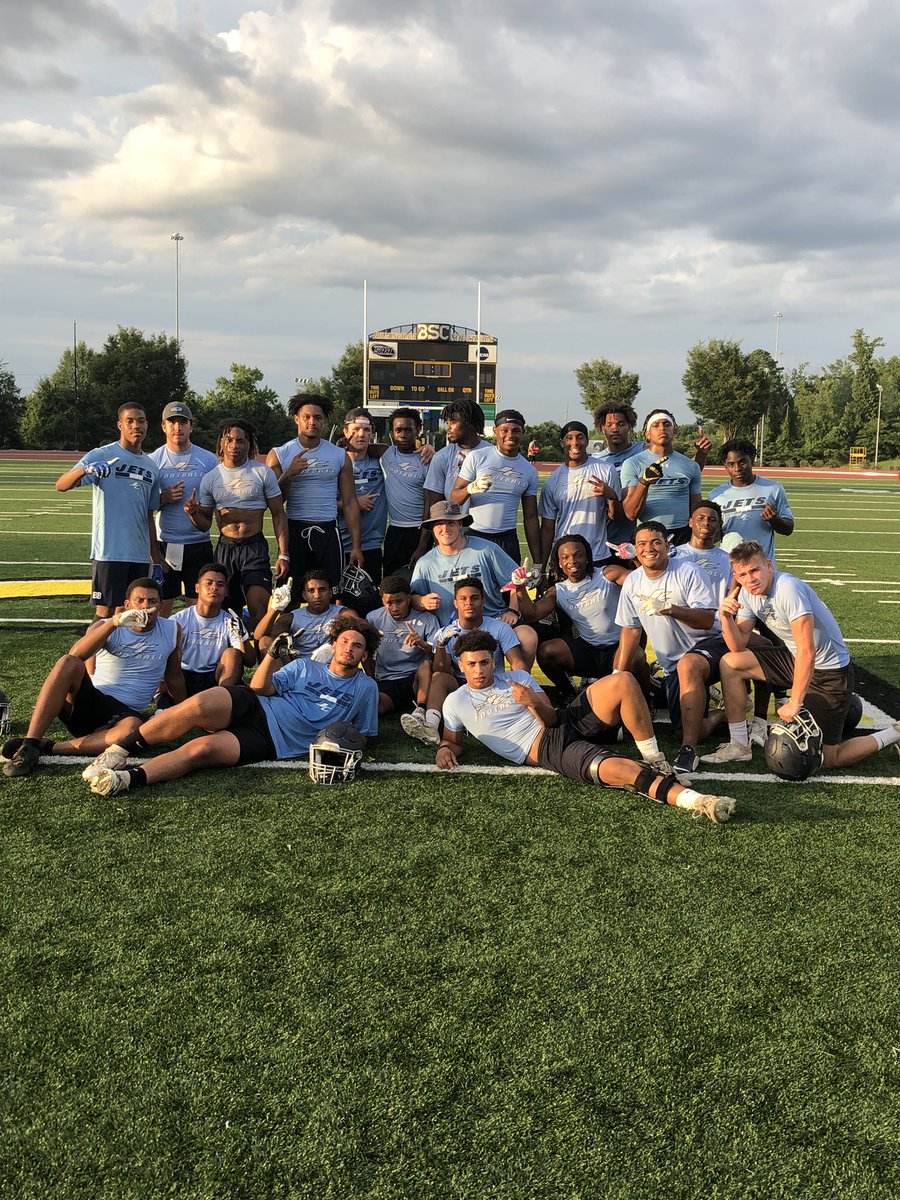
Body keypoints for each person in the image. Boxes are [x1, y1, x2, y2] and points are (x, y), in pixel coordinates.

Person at [435, 632, 737, 824]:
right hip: (547, 748)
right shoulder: (455, 702)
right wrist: (445, 749)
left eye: (484, 663)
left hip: (561, 721)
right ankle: (700, 801)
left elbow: (551, 718)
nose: (479, 670)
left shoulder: (518, 678)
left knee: (623, 680)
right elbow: (453, 740)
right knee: (623, 770)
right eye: (471, 664)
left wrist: (532, 701)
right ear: (461, 666)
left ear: (494, 662)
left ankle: (655, 758)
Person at [80, 614, 381, 796]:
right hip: (257, 704)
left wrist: (339, 744)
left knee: (199, 751)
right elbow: (259, 688)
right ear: (334, 645)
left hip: (272, 740)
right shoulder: (305, 666)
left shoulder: (366, 687)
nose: (349, 648)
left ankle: (124, 779)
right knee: (198, 704)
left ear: (364, 655)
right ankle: (117, 752)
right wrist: (272, 656)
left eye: (357, 646)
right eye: (345, 641)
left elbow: (365, 734)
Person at [699, 540, 900, 769]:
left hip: (830, 673)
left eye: (755, 570)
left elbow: (807, 650)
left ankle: (894, 733)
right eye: (743, 574)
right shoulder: (746, 593)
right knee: (731, 663)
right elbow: (738, 645)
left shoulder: (788, 588)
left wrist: (795, 702)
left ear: (769, 566)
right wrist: (725, 618)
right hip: (795, 660)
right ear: (736, 576)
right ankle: (739, 745)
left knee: (827, 759)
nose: (750, 579)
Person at [2, 578, 183, 778]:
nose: (145, 606)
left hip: (126, 716)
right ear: (127, 604)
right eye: (139, 600)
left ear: (161, 605)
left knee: (132, 729)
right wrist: (114, 623)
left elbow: (174, 676)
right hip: (93, 702)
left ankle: (49, 747)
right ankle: (30, 743)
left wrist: (184, 710)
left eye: (152, 601)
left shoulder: (171, 629)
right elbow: (76, 655)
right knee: (67, 662)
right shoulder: (106, 625)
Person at [614, 522, 726, 778]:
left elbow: (707, 620)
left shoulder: (688, 570)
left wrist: (670, 609)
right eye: (642, 544)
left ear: (667, 545)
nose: (649, 548)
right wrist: (617, 674)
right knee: (684, 728)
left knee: (689, 664)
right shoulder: (633, 581)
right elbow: (631, 630)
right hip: (674, 664)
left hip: (710, 646)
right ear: (635, 549)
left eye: (656, 542)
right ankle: (725, 712)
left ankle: (689, 750)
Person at [55, 402, 164, 618]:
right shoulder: (103, 454)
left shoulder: (151, 466)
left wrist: (155, 559)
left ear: (147, 425)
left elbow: (148, 516)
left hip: (139, 555)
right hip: (110, 551)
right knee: (105, 612)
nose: (136, 426)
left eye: (141, 421)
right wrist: (85, 469)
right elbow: (61, 485)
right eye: (130, 421)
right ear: (120, 425)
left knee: (133, 614)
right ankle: (89, 644)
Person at [401, 576, 531, 746]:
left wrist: (522, 685)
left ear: (483, 602)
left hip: (493, 684)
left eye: (474, 598)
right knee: (438, 677)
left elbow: (517, 663)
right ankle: (431, 727)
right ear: (455, 603)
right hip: (462, 686)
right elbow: (442, 671)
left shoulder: (500, 627)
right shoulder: (445, 632)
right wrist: (441, 645)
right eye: (463, 599)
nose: (469, 603)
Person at [185, 419, 290, 627]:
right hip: (225, 549)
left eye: (240, 440)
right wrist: (193, 513)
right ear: (221, 443)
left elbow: (278, 514)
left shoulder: (262, 472)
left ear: (249, 444)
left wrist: (283, 554)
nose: (234, 445)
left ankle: (260, 645)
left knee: (259, 611)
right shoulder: (211, 478)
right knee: (226, 614)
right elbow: (204, 525)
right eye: (229, 440)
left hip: (254, 548)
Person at [511, 534, 639, 701]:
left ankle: (646, 697)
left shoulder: (608, 574)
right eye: (565, 557)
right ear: (559, 563)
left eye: (578, 555)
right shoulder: (559, 590)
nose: (572, 561)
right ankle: (570, 694)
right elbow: (531, 614)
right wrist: (520, 587)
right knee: (546, 651)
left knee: (638, 656)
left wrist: (635, 558)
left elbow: (641, 583)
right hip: (589, 650)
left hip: (619, 648)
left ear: (587, 558)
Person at [409, 502, 538, 666]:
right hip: (451, 629)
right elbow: (412, 598)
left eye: (450, 523)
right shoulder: (425, 562)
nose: (445, 529)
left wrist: (513, 611)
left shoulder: (486, 549)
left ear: (460, 524)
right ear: (433, 528)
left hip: (493, 620)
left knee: (527, 637)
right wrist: (422, 601)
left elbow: (514, 580)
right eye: (439, 524)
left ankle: (519, 681)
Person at [267, 392, 363, 597]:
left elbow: (350, 502)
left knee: (332, 596)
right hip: (294, 530)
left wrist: (356, 546)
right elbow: (275, 502)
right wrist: (288, 474)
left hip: (328, 531)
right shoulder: (280, 454)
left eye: (318, 417)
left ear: (324, 421)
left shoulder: (339, 455)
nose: (312, 422)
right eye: (307, 417)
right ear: (296, 419)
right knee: (287, 597)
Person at [148, 401, 219, 616]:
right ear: (163, 426)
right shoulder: (153, 460)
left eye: (182, 422)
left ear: (191, 426)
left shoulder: (208, 459)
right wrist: (164, 498)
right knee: (161, 609)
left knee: (198, 610)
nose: (177, 427)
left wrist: (198, 509)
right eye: (172, 422)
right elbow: (144, 506)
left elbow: (216, 500)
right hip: (166, 544)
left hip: (199, 544)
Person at [156, 562, 255, 707]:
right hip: (183, 677)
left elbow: (250, 662)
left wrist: (243, 637)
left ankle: (220, 706)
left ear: (226, 592)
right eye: (209, 583)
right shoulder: (178, 620)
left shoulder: (231, 621)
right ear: (197, 588)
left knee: (232, 654)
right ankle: (168, 707)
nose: (214, 587)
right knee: (166, 656)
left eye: (220, 585)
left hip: (215, 677)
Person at [451, 408, 540, 564]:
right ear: (495, 431)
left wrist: (538, 562)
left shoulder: (529, 470)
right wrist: (470, 489)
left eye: (516, 430)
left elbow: (531, 518)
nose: (510, 435)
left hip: (507, 539)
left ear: (523, 433)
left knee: (510, 581)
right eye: (504, 430)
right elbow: (453, 499)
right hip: (476, 536)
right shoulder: (477, 457)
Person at [413, 398, 490, 564]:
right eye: (447, 422)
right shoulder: (442, 456)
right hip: (453, 534)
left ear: (470, 423)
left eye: (453, 422)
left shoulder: (491, 453)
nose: (448, 427)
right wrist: (423, 544)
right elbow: (433, 504)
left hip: (486, 532)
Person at [538, 421, 622, 567]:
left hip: (597, 555)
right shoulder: (552, 481)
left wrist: (611, 496)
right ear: (562, 443)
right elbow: (547, 529)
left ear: (587, 441)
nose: (575, 443)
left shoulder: (606, 470)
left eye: (580, 437)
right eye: (569, 438)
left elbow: (617, 518)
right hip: (565, 556)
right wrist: (542, 566)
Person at [620, 410, 702, 545]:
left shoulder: (690, 465)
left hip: (682, 535)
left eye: (667, 424)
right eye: (656, 425)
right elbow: (631, 513)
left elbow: (697, 509)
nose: (662, 428)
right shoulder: (633, 463)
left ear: (674, 431)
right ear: (647, 434)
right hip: (648, 535)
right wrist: (644, 483)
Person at [708, 439, 795, 563]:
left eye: (742, 462)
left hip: (762, 566)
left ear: (752, 459)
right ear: (725, 465)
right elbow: (714, 537)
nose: (737, 468)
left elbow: (788, 529)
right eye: (731, 464)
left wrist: (774, 519)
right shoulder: (716, 495)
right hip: (729, 566)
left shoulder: (773, 488)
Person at [365, 575, 440, 718]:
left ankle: (421, 709)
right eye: (389, 603)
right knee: (376, 708)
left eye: (399, 602)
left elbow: (437, 659)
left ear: (409, 598)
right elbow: (366, 653)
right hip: (388, 679)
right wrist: (371, 680)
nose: (394, 608)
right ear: (383, 601)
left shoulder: (428, 619)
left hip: (417, 678)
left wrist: (423, 645)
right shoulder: (373, 618)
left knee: (426, 665)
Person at [336, 408, 389, 585]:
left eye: (366, 430)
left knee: (369, 595)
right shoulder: (335, 464)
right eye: (356, 429)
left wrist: (427, 448)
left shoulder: (382, 462)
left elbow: (404, 452)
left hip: (372, 545)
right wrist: (352, 504)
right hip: (339, 544)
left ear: (372, 433)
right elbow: (321, 505)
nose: (361, 434)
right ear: (345, 431)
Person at [380, 408, 431, 577]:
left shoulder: (428, 460)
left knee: (421, 583)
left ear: (418, 430)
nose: (403, 435)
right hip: (395, 531)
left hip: (420, 531)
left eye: (408, 430)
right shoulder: (385, 453)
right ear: (392, 432)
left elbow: (430, 503)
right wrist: (344, 443)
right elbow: (361, 447)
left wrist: (422, 544)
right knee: (391, 582)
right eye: (398, 430)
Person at [253, 569, 343, 659]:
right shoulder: (292, 618)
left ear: (330, 593)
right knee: (265, 641)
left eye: (322, 590)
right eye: (311, 591)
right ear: (304, 595)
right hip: (299, 665)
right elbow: (258, 637)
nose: (317, 596)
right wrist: (274, 609)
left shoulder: (342, 614)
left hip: (332, 665)